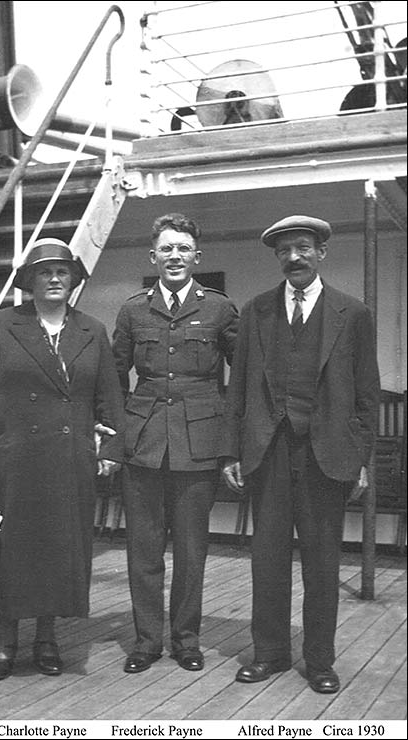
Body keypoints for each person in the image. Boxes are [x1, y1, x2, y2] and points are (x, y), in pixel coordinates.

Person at [222, 215, 380, 694]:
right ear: (277, 257)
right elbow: (240, 387)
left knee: (322, 564)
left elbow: (366, 395)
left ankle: (320, 660)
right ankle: (269, 653)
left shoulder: (352, 314)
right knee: (266, 560)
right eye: (285, 250)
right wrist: (233, 450)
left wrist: (362, 460)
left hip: (326, 456)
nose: (294, 257)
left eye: (303, 248)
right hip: (268, 454)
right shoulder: (256, 311)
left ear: (321, 253)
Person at [0, 238, 125, 680]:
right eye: (43, 273)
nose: (53, 279)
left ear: (73, 280)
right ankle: (6, 642)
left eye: (61, 272)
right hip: (13, 462)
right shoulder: (0, 325)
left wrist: (110, 447)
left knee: (55, 551)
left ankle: (46, 639)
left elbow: (109, 397)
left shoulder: (92, 330)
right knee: (10, 553)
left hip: (69, 461)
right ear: (29, 281)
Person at [112, 213, 239, 674]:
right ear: (154, 256)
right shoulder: (132, 310)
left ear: (196, 257)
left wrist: (232, 445)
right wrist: (117, 435)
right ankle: (146, 641)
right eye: (166, 249)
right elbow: (113, 377)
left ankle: (186, 640)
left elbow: (240, 378)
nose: (174, 257)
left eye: (183, 248)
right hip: (143, 444)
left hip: (198, 444)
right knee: (143, 550)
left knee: (191, 551)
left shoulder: (219, 308)